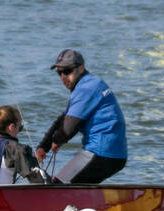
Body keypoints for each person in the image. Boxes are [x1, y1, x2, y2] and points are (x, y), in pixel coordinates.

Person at [35, 49, 128, 184]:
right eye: (59, 73)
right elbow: (64, 118)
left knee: (58, 185)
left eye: (67, 71)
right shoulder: (91, 84)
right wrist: (44, 146)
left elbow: (69, 127)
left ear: (81, 68)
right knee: (71, 184)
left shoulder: (86, 88)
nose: (63, 77)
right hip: (114, 153)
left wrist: (57, 140)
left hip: (101, 151)